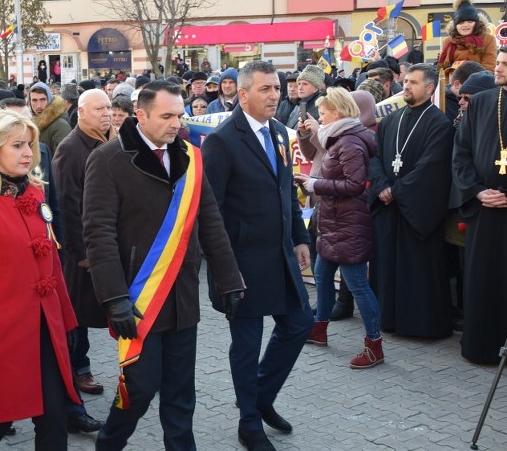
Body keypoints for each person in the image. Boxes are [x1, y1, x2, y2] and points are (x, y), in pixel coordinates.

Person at [83, 80, 246, 450]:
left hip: (182, 295)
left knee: (180, 393)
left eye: (180, 115)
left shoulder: (191, 156)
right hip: (138, 299)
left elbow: (210, 221)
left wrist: (229, 279)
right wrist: (114, 297)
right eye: (167, 116)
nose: (176, 123)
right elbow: (98, 233)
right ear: (141, 116)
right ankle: (109, 443)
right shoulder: (108, 159)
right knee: (139, 388)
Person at [201, 60, 314, 451]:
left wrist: (299, 237)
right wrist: (224, 270)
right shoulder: (222, 141)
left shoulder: (279, 133)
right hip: (242, 263)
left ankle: (260, 396)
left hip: (280, 256)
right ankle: (249, 423)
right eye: (265, 89)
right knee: (247, 345)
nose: (274, 96)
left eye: (277, 88)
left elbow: (286, 193)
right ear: (243, 93)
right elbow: (210, 211)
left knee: (300, 323)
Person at [0, 110, 80, 450]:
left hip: (45, 328)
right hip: (1, 337)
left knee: (54, 418)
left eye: (30, 145)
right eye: (17, 145)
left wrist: (67, 320)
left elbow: (51, 261)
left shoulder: (35, 191)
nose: (28, 153)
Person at [294, 89, 383, 368]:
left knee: (357, 285)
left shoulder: (349, 142)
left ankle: (374, 345)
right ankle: (319, 330)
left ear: (339, 112)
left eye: (323, 113)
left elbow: (355, 185)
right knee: (322, 276)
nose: (319, 118)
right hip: (334, 220)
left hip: (348, 222)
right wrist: (311, 181)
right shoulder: (337, 137)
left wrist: (315, 184)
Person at [368, 64, 454, 339]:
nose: (406, 86)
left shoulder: (439, 124)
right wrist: (381, 185)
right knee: (386, 266)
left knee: (416, 270)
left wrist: (397, 191)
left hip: (416, 211)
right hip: (388, 208)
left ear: (429, 88)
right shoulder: (390, 120)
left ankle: (418, 325)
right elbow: (375, 157)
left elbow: (431, 167)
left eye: (413, 83)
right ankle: (387, 319)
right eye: (405, 81)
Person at [52, 89, 113, 398]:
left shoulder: (111, 142)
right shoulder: (70, 149)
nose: (106, 113)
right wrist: (81, 253)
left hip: (109, 243)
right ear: (81, 112)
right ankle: (79, 368)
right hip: (83, 251)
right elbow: (67, 206)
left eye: (108, 107)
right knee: (78, 316)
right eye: (99, 109)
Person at [452, 46, 507, 364]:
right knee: (483, 280)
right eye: (498, 62)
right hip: (484, 211)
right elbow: (461, 154)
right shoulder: (482, 102)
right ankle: (482, 347)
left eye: (504, 64)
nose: (497, 68)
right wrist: (476, 191)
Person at [437, 0, 498, 74]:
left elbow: (489, 67)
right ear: (456, 25)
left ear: (476, 23)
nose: (465, 25)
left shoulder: (488, 39)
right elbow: (443, 71)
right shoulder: (448, 42)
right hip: (454, 80)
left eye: (470, 22)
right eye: (461, 23)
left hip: (479, 80)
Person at [28, 82, 72, 157]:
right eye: (34, 100)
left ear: (50, 100)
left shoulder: (60, 126)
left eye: (42, 100)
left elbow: (64, 159)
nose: (38, 106)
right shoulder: (32, 122)